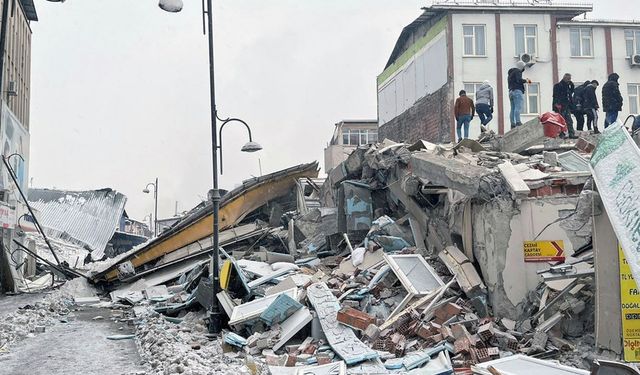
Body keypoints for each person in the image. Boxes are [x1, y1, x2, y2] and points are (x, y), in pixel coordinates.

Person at [507, 61, 531, 128]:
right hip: (517, 91)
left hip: (511, 92)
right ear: (521, 66)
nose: (524, 68)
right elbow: (519, 80)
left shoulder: (510, 75)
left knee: (512, 108)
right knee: (518, 107)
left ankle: (512, 124)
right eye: (523, 67)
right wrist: (526, 80)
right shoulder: (518, 71)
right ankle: (518, 122)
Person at [553, 73, 576, 138]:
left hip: (566, 105)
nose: (569, 80)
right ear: (565, 78)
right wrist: (557, 104)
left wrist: (572, 85)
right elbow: (556, 96)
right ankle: (561, 134)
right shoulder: (558, 86)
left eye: (570, 79)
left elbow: (571, 92)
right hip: (560, 106)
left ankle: (571, 134)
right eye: (568, 79)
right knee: (561, 121)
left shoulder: (567, 86)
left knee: (569, 120)